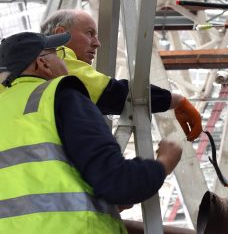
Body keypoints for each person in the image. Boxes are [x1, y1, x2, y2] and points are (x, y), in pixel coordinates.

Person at [0, 32, 182, 233]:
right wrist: (166, 161)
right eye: (59, 56)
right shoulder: (58, 96)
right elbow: (119, 183)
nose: (66, 64)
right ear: (42, 64)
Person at [40, 9, 202, 142]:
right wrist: (176, 101)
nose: (97, 43)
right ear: (60, 34)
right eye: (89, 33)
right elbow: (114, 93)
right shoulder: (57, 59)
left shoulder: (30, 65)